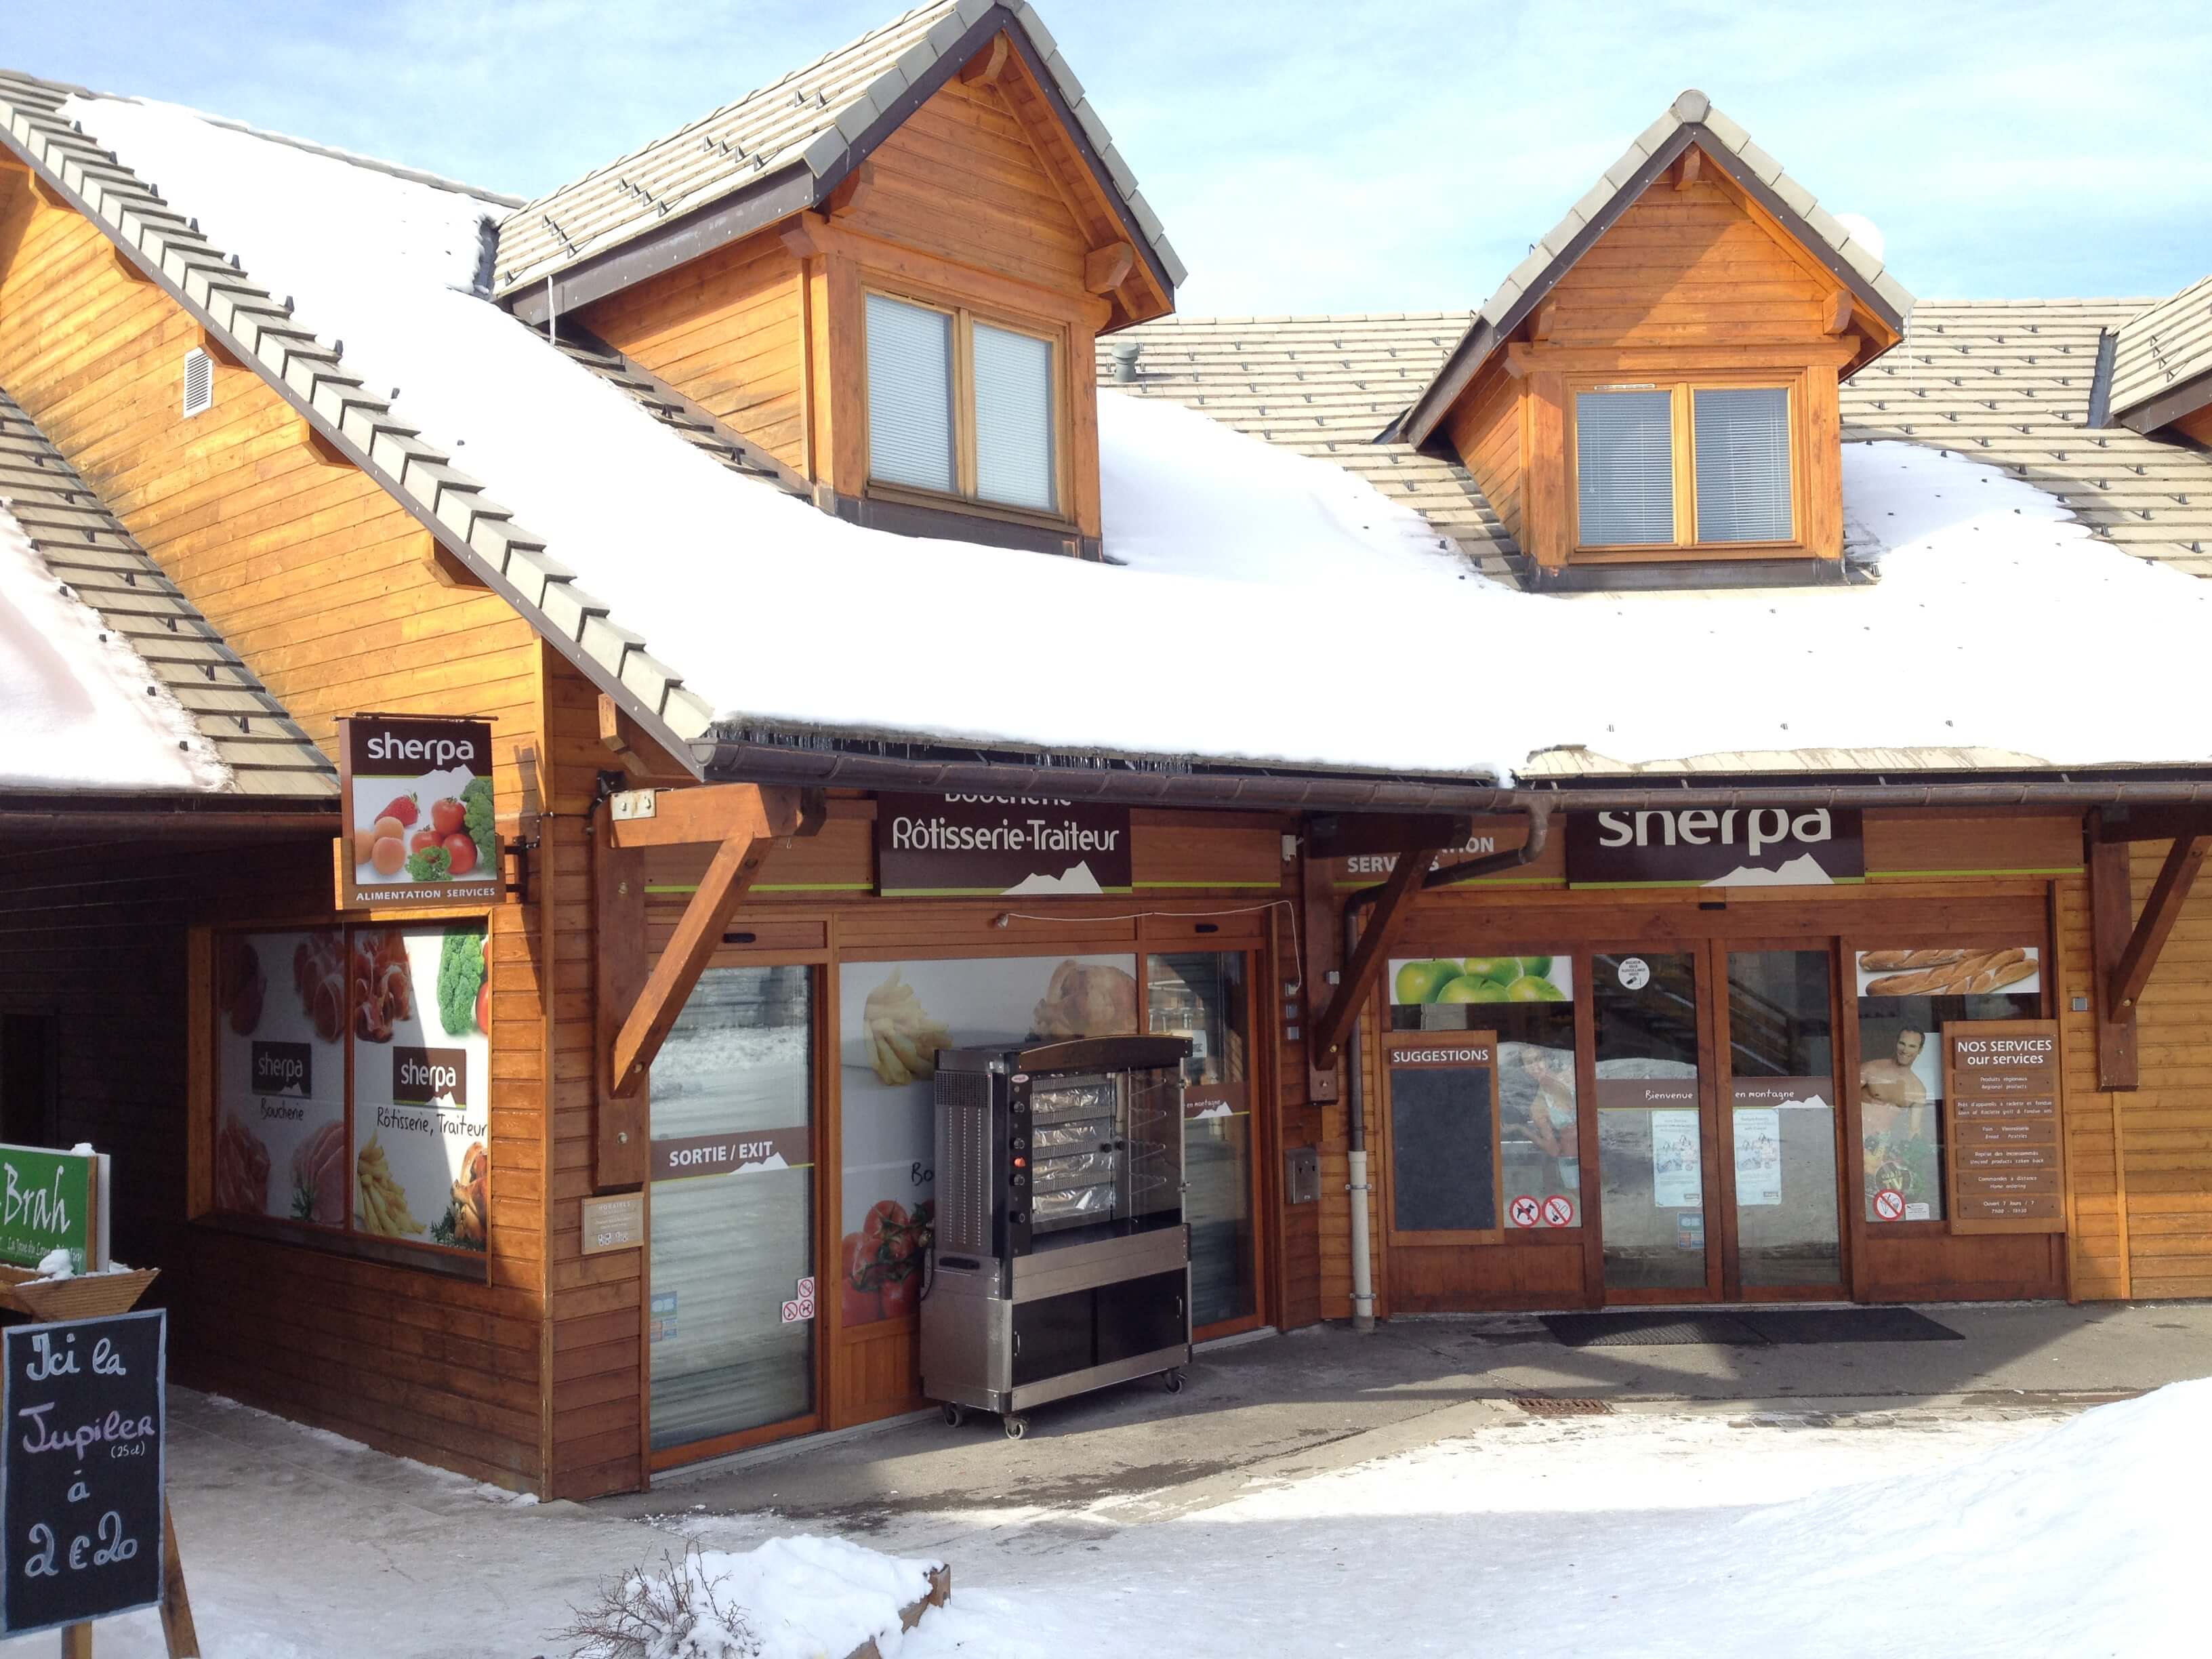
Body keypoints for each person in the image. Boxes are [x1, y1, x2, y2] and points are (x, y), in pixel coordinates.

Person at [1860, 1027, 1929, 1107]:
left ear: (1920, 1050)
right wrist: (1868, 1100)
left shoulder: (1919, 1091)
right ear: (1896, 1043)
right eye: (1902, 1044)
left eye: (1912, 1046)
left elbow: (1916, 1116)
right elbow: (1848, 1094)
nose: (1905, 1050)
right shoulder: (1871, 1068)